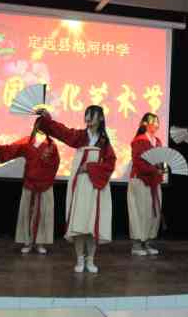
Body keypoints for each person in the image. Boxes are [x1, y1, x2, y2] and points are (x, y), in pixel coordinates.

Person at [37, 106, 116, 274]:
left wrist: (90, 167)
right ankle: (80, 259)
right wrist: (48, 120)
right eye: (87, 115)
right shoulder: (80, 136)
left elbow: (110, 164)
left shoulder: (104, 142)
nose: (88, 118)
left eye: (92, 115)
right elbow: (62, 132)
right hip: (80, 185)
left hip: (96, 187)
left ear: (101, 118)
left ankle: (90, 259)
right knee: (79, 223)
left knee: (92, 225)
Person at [0, 117, 60, 255]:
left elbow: (55, 165)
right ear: (35, 127)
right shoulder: (27, 142)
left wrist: (47, 179)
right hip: (30, 184)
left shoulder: (52, 146)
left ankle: (40, 242)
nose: (41, 129)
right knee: (27, 213)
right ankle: (28, 242)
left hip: (45, 185)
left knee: (43, 214)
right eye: (39, 126)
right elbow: (11, 150)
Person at [128, 112, 165, 256]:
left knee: (152, 212)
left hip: (154, 181)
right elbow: (138, 162)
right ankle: (137, 244)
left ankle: (148, 242)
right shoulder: (139, 140)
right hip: (140, 180)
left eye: (157, 122)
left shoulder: (158, 141)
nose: (156, 124)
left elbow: (160, 160)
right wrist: (154, 170)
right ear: (145, 123)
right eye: (153, 121)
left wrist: (162, 168)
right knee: (139, 212)